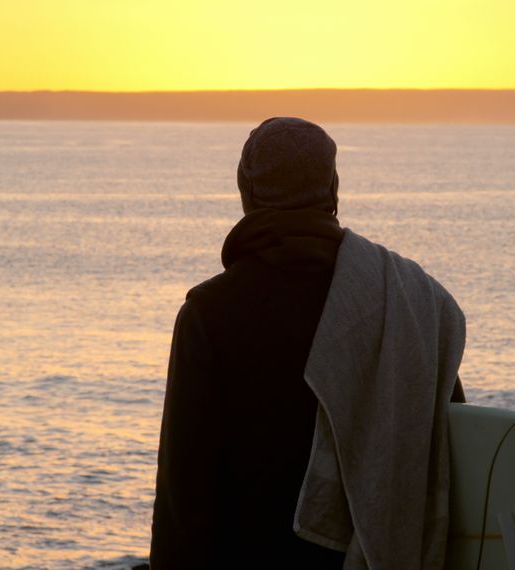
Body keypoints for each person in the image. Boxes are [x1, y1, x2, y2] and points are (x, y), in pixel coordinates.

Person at [150, 117, 466, 569]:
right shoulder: (401, 298)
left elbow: (184, 495)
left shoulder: (210, 312)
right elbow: (451, 439)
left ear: (247, 193)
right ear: (334, 188)